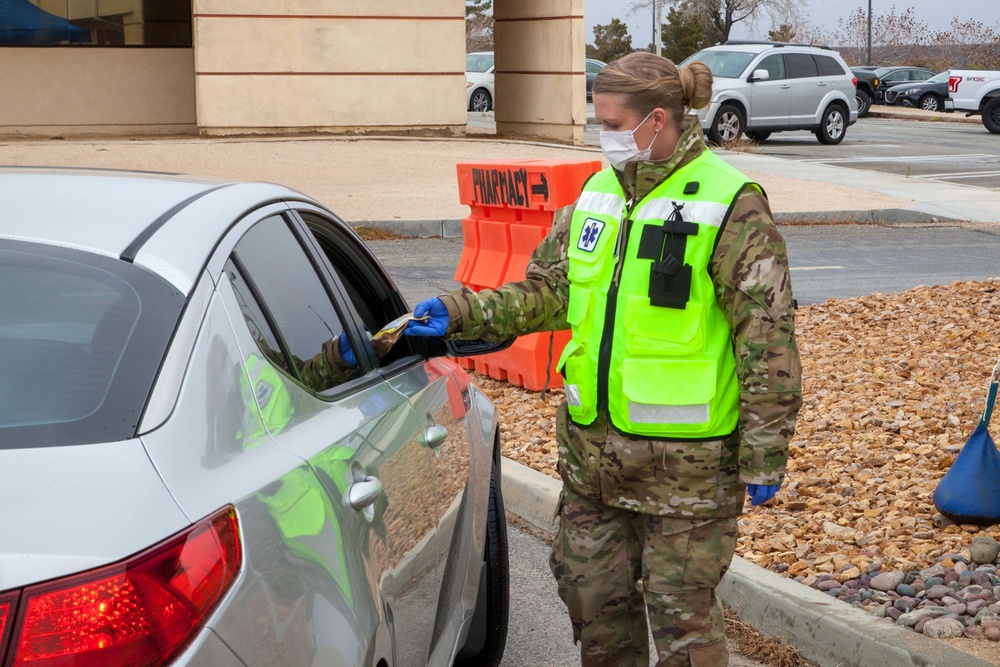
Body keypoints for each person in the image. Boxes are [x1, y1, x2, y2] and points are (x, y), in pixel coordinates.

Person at [404, 51, 801, 667]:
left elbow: (766, 334)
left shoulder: (731, 203)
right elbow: (551, 291)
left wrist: (764, 451)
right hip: (593, 464)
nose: (604, 136)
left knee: (683, 627)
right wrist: (461, 314)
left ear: (658, 119)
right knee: (593, 607)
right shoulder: (596, 193)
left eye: (614, 124)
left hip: (689, 473)